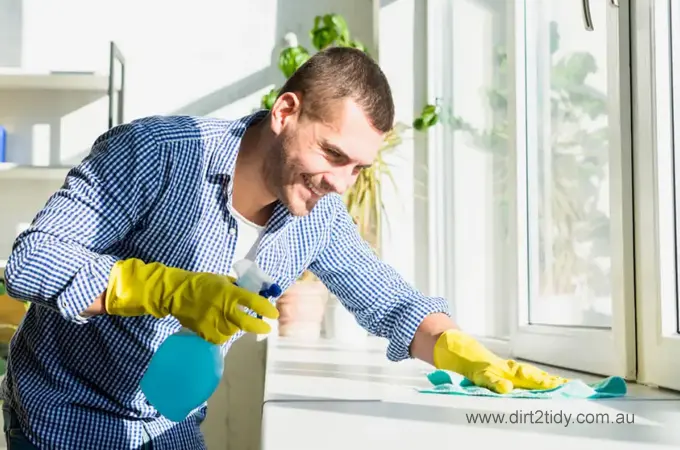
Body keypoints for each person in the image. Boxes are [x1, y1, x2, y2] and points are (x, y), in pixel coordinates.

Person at [2, 46, 568, 449]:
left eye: (358, 167)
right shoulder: (156, 152)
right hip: (63, 419)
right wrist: (166, 289)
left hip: (167, 428)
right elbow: (31, 263)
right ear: (285, 112)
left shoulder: (316, 218)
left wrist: (461, 350)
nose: (341, 183)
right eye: (333, 154)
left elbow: (391, 304)